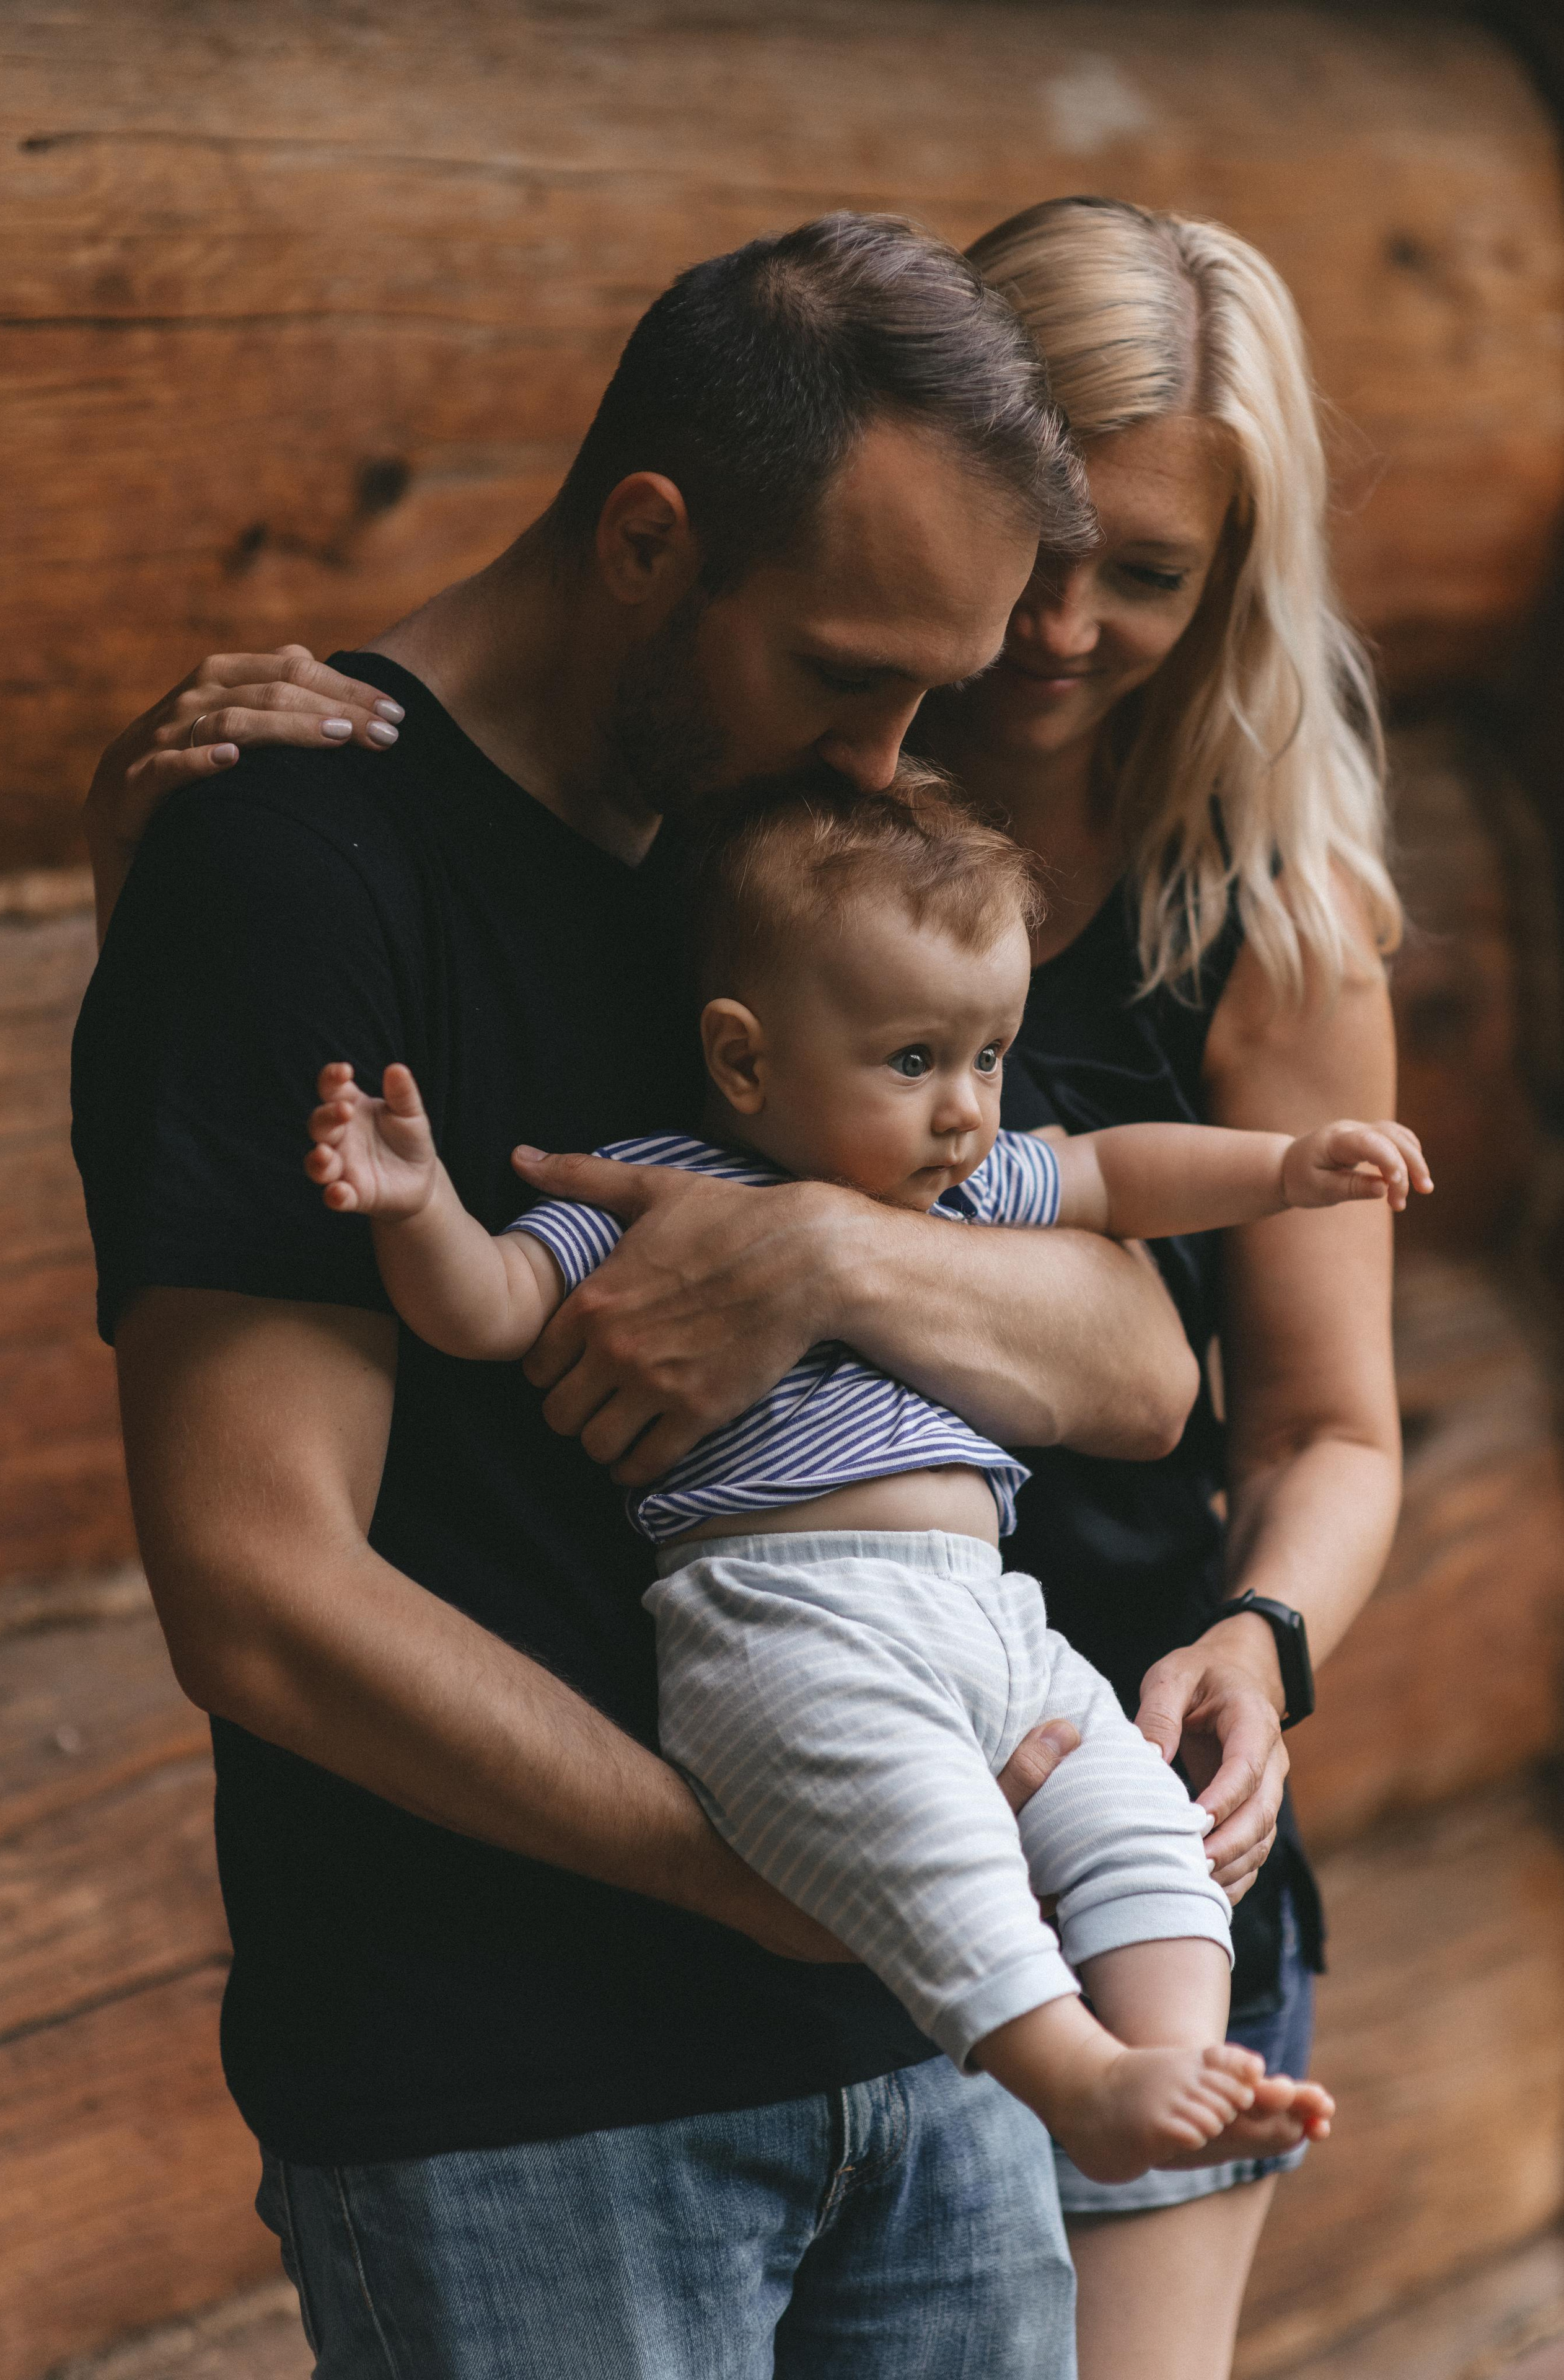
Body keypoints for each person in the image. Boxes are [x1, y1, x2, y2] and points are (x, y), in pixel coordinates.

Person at [81, 198, 1408, 2379]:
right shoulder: (300, 859)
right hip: (524, 2081)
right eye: (843, 666)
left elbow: (1140, 1368)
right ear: (644, 541)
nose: (894, 753)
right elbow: (255, 1585)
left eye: (933, 687)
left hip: (932, 2042)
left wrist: (820, 1250)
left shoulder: (810, 869)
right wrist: (772, 1878)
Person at [301, 765, 1421, 2176]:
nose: (964, 1108)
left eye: (989, 1057)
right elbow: (488, 1308)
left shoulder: (963, 1184)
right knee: (939, 1849)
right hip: (786, 1627)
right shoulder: (653, 1196)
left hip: (988, 1615)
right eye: (913, 1061)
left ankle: (1170, 2050)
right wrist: (417, 1210)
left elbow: (1120, 1177)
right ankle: (1073, 2081)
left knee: (1133, 1819)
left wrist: (1284, 1166)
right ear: (743, 1058)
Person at [910, 195, 1408, 2380]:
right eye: (1039, 541)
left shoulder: (1270, 911)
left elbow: (1332, 1429)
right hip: (795, 1796)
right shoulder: (750, 815)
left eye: (1149, 571)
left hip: (1125, 1847)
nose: (1065, 623)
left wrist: (1262, 1641)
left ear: (1233, 580)